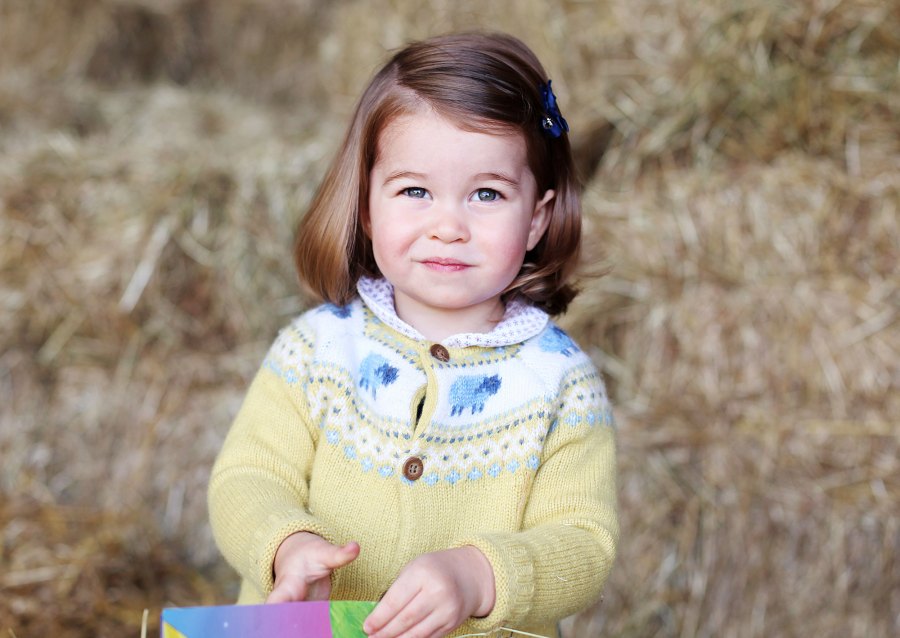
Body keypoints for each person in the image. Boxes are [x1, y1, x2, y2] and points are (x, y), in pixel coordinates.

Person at [208, 31, 618, 638]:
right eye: (415, 191)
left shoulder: (559, 383)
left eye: (486, 194)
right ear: (368, 207)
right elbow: (247, 476)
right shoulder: (317, 350)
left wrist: (479, 575)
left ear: (536, 218)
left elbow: (584, 541)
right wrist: (285, 545)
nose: (448, 226)